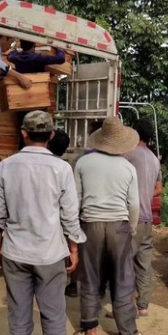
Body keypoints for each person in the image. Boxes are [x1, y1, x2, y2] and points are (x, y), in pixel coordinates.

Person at [0, 111, 84, 335]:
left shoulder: (6, 167)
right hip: (50, 255)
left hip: (15, 253)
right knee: (54, 320)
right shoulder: (62, 169)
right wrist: (73, 249)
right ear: (51, 135)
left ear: (23, 133)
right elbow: (70, 216)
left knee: (19, 322)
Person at [73, 116, 143, 335]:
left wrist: (73, 229)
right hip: (119, 226)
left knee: (90, 276)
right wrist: (130, 228)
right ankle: (128, 332)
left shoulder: (83, 164)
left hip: (90, 224)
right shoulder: (128, 168)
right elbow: (133, 205)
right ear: (121, 142)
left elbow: (76, 199)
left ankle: (90, 330)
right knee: (123, 278)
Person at [119, 119, 162, 317]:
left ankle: (126, 306)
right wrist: (145, 194)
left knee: (125, 263)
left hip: (131, 218)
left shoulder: (127, 155)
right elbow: (159, 189)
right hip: (147, 220)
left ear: (135, 135)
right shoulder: (154, 159)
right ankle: (143, 305)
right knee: (144, 265)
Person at [66, 119, 105, 298]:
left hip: (85, 213)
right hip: (109, 216)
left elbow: (74, 191)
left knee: (80, 249)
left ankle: (75, 284)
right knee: (102, 254)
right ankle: (100, 286)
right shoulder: (117, 159)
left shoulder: (80, 159)